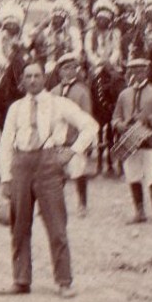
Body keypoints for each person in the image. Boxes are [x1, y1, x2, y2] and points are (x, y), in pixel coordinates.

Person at [0, 61, 98, 298]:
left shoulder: (59, 104)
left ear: (44, 79)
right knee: (19, 226)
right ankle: (21, 280)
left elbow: (90, 126)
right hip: (20, 164)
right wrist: (5, 177)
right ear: (22, 81)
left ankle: (64, 281)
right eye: (28, 76)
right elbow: (5, 145)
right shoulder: (16, 108)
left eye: (37, 76)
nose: (32, 80)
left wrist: (73, 150)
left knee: (56, 225)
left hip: (48, 164)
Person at [113, 56, 152, 225]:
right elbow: (115, 117)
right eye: (132, 70)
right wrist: (120, 125)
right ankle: (139, 212)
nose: (136, 74)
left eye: (140, 70)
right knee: (132, 175)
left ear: (146, 71)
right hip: (129, 142)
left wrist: (146, 120)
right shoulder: (124, 95)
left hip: (149, 141)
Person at [55, 54, 96, 216]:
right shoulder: (54, 91)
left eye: (73, 68)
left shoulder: (82, 91)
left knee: (78, 172)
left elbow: (87, 116)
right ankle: (54, 204)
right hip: (57, 141)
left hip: (74, 141)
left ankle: (82, 204)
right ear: (59, 71)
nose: (69, 71)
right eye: (66, 68)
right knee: (55, 174)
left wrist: (85, 141)